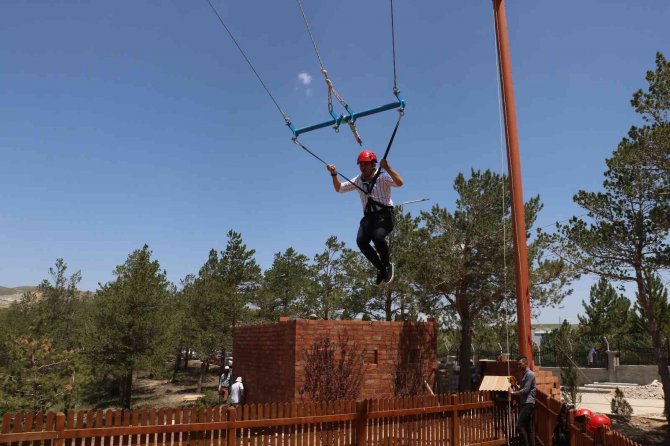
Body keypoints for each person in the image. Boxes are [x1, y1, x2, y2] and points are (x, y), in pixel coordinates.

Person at [326, 150, 404, 285]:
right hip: (369, 217)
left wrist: (388, 167)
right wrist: (333, 174)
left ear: (373, 164)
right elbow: (339, 188)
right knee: (361, 241)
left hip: (384, 215)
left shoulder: (382, 177)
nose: (363, 167)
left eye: (366, 164)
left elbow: (399, 182)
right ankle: (381, 269)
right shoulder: (358, 180)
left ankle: (386, 265)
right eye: (361, 165)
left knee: (378, 237)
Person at [509, 356, 536, 446]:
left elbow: (525, 390)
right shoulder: (525, 374)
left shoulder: (529, 374)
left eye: (520, 364)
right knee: (528, 428)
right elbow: (524, 388)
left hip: (528, 404)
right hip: (525, 403)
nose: (518, 366)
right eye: (518, 364)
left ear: (526, 363)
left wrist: (513, 393)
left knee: (518, 426)